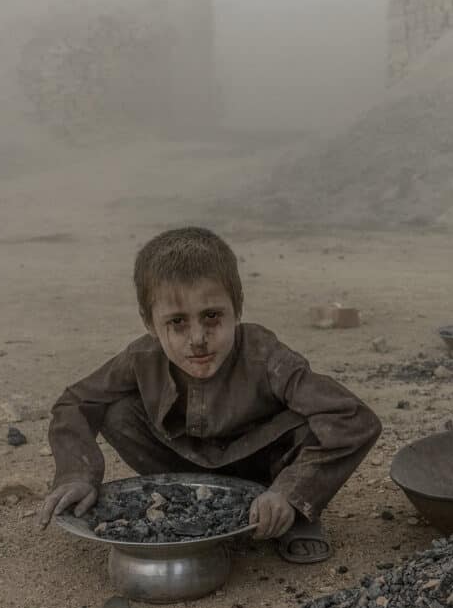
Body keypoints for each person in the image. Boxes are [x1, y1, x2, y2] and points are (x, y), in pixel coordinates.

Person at [37, 226, 381, 563]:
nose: (198, 338)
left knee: (311, 421)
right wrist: (77, 474)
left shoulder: (266, 356)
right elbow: (75, 402)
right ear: (149, 323)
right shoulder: (142, 358)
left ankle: (294, 516)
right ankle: (181, 497)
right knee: (117, 411)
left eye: (212, 316)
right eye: (177, 322)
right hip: (187, 465)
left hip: (266, 470)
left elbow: (353, 418)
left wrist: (288, 493)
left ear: (238, 308)